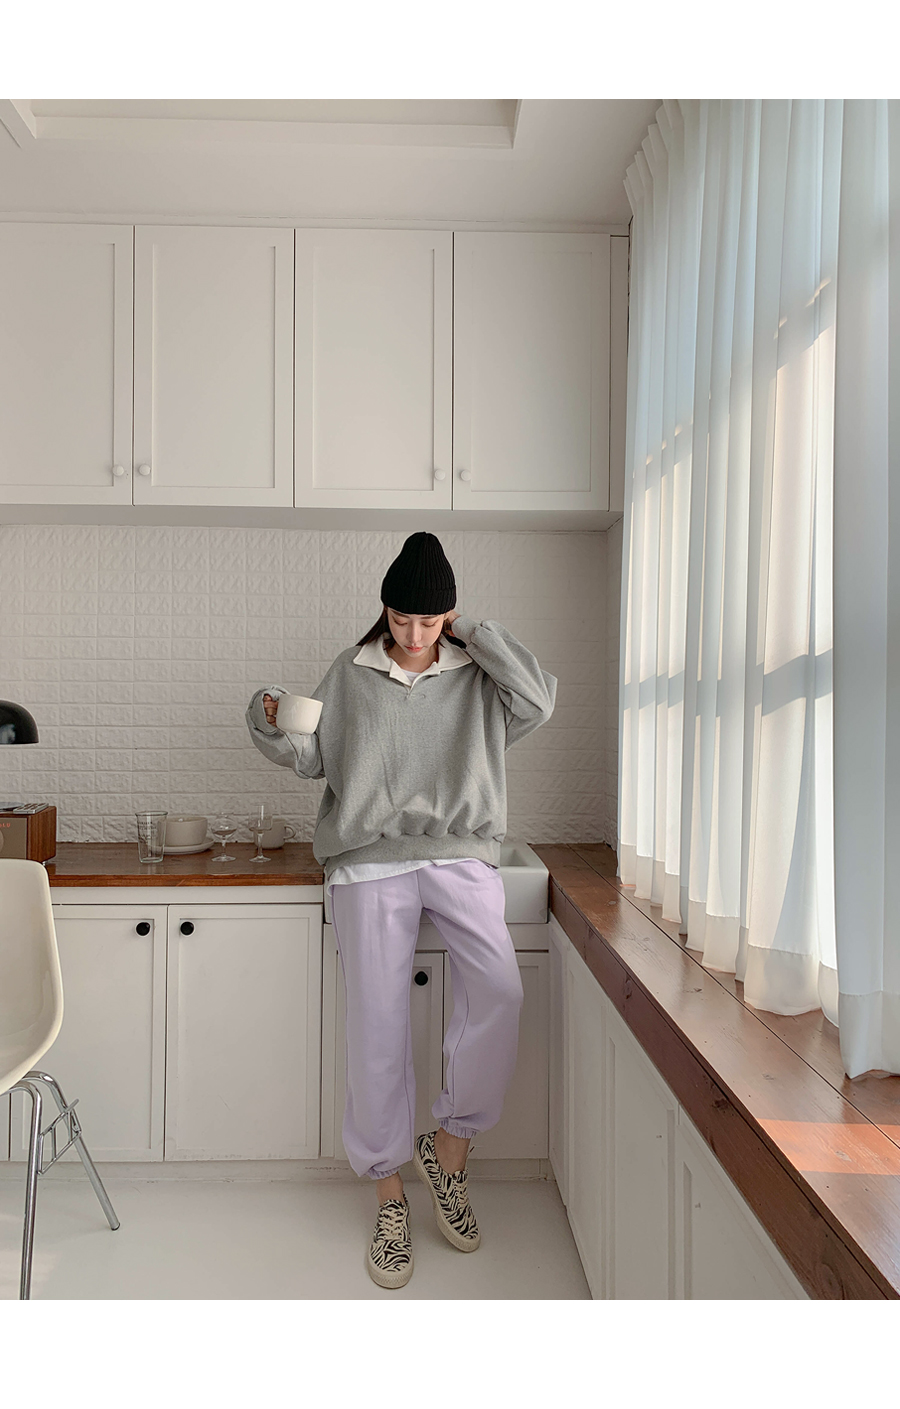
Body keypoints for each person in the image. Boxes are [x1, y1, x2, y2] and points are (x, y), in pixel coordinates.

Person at [244, 531, 557, 1289]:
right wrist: (267, 717)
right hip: (368, 858)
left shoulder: (480, 676)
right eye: (401, 618)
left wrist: (471, 630)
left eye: (429, 619)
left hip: (460, 854)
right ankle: (388, 1194)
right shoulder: (351, 672)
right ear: (382, 610)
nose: (414, 635)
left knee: (502, 991)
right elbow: (313, 758)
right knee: (377, 1022)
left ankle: (449, 1150)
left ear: (449, 614)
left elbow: (540, 700)